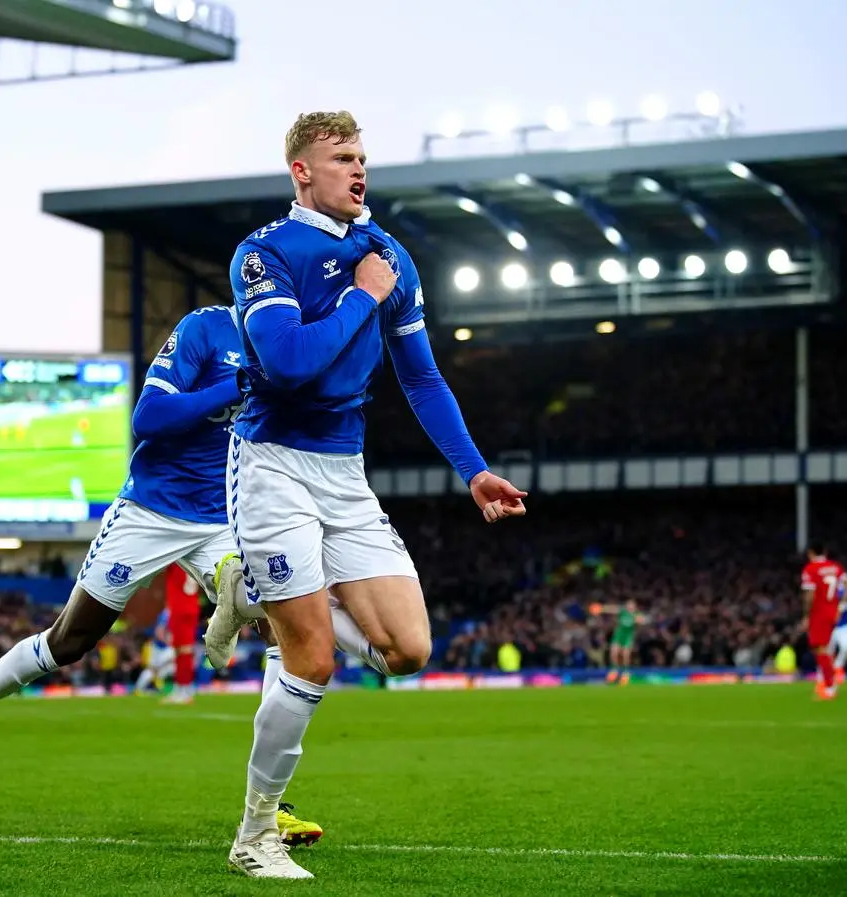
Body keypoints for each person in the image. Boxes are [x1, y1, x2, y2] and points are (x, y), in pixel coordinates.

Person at [218, 110, 527, 880]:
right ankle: (256, 834)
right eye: (343, 157)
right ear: (303, 172)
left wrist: (474, 469)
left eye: (363, 157)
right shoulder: (265, 253)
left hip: (344, 474)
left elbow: (421, 376)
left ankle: (255, 595)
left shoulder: (388, 255)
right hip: (272, 467)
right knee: (313, 659)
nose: (360, 170)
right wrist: (361, 296)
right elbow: (288, 364)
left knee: (406, 651)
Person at [0, 304, 322, 844]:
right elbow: (148, 418)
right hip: (151, 510)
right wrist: (233, 387)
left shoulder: (297, 348)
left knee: (282, 623)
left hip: (225, 515)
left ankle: (269, 808)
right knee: (70, 640)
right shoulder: (207, 328)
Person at [800, 545, 845, 700]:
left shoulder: (810, 569)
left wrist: (806, 615)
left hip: (818, 613)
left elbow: (810, 594)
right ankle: (828, 682)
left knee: (821, 649)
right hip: (832, 612)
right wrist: (840, 607)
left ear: (810, 553)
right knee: (824, 648)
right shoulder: (835, 567)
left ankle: (829, 687)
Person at [160, 563, 200, 705]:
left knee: (182, 651)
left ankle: (183, 690)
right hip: (191, 605)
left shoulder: (177, 559)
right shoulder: (191, 561)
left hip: (179, 607)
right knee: (183, 651)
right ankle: (183, 689)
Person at [589, 599, 647, 685]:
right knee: (614, 653)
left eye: (632, 605)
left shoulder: (636, 615)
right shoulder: (623, 612)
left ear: (635, 607)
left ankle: (625, 673)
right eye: (628, 605)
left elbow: (644, 620)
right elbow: (613, 609)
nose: (630, 606)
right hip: (619, 635)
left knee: (625, 655)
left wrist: (639, 620)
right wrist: (602, 608)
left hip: (628, 636)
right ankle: (614, 671)